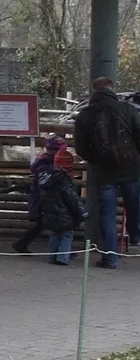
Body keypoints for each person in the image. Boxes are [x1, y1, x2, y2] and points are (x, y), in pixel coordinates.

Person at [73, 76, 140, 268]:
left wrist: (96, 160)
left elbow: (80, 148)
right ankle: (135, 236)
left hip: (104, 173)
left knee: (107, 215)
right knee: (136, 205)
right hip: (131, 168)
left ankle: (110, 258)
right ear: (112, 89)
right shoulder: (127, 109)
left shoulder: (85, 115)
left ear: (94, 90)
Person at [11, 136, 67, 253]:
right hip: (43, 198)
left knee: (43, 224)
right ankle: (62, 251)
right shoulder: (46, 164)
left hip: (45, 197)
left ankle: (21, 244)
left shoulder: (47, 162)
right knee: (48, 223)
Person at [36, 150, 87, 266]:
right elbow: (72, 198)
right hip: (65, 214)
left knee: (54, 234)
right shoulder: (63, 180)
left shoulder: (45, 178)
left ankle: (52, 256)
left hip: (50, 213)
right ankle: (62, 257)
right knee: (66, 235)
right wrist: (82, 211)